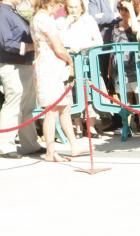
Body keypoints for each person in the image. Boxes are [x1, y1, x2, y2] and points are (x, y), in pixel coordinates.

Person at [31, 0, 81, 161]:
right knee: (52, 111)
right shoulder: (44, 20)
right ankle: (50, 152)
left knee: (64, 107)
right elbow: (58, 48)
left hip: (50, 65)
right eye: (59, 4)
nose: (61, 7)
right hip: (50, 66)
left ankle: (74, 145)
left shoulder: (37, 18)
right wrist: (70, 60)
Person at [0, 0, 44, 158]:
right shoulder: (2, 12)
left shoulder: (12, 12)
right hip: (11, 65)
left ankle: (30, 144)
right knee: (14, 103)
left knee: (27, 106)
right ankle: (5, 145)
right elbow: (6, 42)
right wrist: (33, 46)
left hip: (23, 64)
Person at [60, 0, 102, 137]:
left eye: (76, 7)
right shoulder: (62, 22)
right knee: (72, 95)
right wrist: (66, 24)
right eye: (70, 7)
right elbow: (58, 41)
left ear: (81, 8)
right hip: (68, 64)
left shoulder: (89, 20)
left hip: (87, 62)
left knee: (89, 94)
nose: (73, 10)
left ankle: (91, 127)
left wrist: (82, 47)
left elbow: (98, 41)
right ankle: (78, 127)